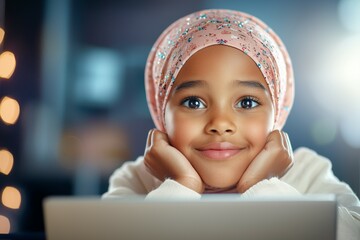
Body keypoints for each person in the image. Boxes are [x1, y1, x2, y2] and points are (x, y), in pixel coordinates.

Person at [103, 9, 360, 238]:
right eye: (194, 102)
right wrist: (181, 185)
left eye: (247, 102)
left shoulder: (308, 172)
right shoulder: (137, 179)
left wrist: (262, 187)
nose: (220, 124)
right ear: (161, 112)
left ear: (276, 112)